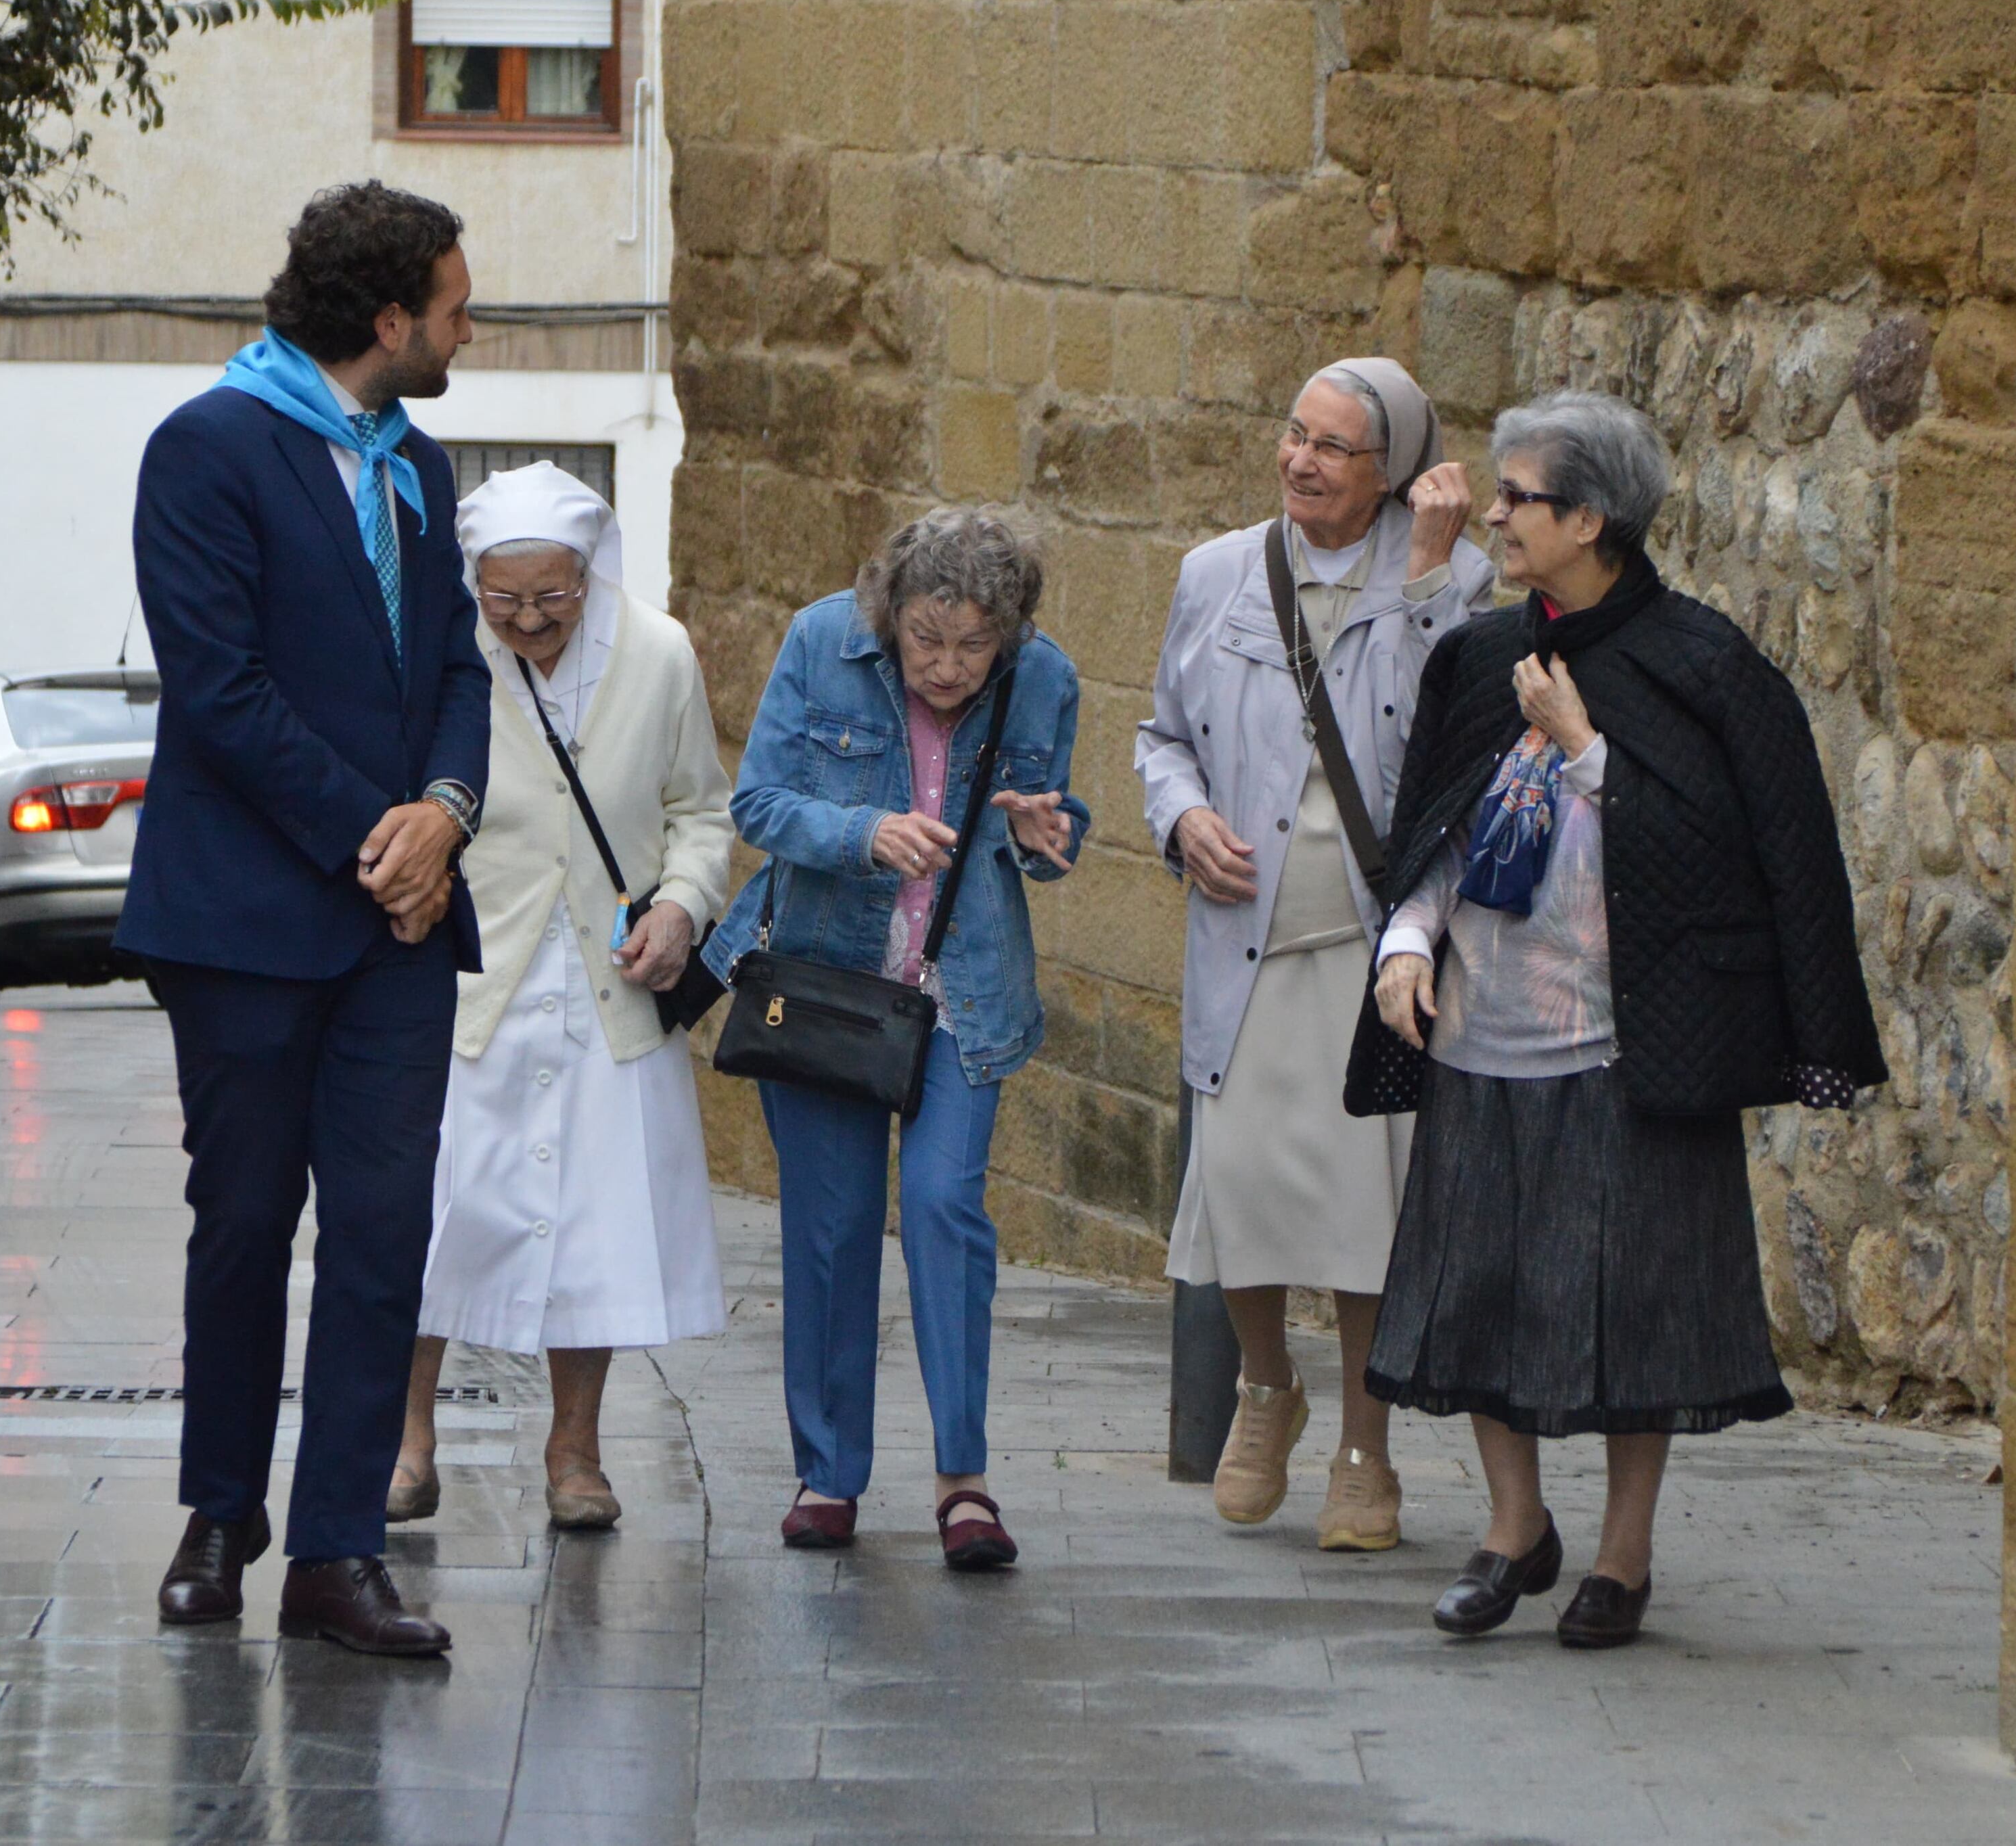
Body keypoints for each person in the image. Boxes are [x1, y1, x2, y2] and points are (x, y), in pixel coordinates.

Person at [1358, 390, 1884, 1650]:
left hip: (1630, 1044)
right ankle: (1512, 1528)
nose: (1496, 514)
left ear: (1590, 518)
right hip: (1481, 1037)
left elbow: (1735, 860)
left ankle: (1623, 1555)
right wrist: (1405, 941)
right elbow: (1430, 819)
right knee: (1479, 1291)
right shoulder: (1482, 658)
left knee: (1638, 1303)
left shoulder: (1706, 666)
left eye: (1519, 499)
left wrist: (1589, 748)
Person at [119, 181, 493, 1659]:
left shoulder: (420, 466)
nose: (473, 326)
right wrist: (374, 834)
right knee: (246, 1224)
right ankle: (222, 1512)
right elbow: (220, 694)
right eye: (458, 306)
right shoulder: (206, 449)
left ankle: (337, 1553)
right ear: (390, 318)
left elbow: (459, 666)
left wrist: (447, 812)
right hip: (248, 925)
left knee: (384, 1236)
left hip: (402, 929)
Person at [1136, 359, 1488, 1550]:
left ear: (1391, 473)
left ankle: (1365, 1448)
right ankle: (1263, 1383)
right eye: (1296, 432)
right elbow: (1161, 737)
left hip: (1367, 944)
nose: (1302, 459)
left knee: (1359, 1219)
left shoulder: (1452, 579)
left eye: (1336, 447)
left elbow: (1456, 734)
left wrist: (1436, 572)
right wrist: (1181, 817)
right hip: (1245, 943)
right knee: (1237, 1196)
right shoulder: (1217, 572)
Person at [702, 507, 1089, 1571]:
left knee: (942, 1206)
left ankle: (963, 1479)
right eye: (928, 639)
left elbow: (1053, 831)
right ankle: (829, 1474)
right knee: (830, 1234)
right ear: (890, 612)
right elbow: (760, 803)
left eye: (976, 644)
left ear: (1010, 630)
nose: (951, 665)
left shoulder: (1044, 676)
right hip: (829, 984)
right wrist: (865, 834)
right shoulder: (824, 640)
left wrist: (1047, 835)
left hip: (962, 992)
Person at [390, 463, 732, 1532]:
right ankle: (406, 1441)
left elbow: (702, 814)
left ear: (591, 573)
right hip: (468, 978)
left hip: (609, 986)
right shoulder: (443, 655)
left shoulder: (661, 654)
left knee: (595, 1223)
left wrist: (681, 908)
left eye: (553, 597)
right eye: (506, 600)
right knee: (428, 1218)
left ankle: (575, 1451)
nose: (530, 619)